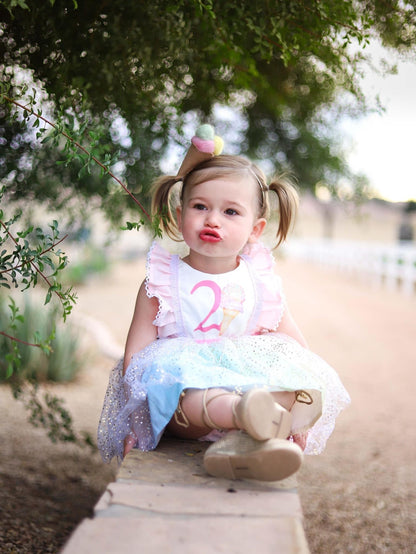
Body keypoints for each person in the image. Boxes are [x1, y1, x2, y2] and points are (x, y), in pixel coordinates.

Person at [97, 126, 350, 482]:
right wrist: (136, 427)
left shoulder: (260, 282)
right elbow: (136, 362)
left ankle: (246, 444)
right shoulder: (162, 282)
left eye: (231, 212)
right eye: (200, 206)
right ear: (180, 212)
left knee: (290, 388)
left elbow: (295, 346)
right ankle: (245, 416)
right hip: (190, 413)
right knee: (177, 392)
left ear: (255, 229)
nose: (212, 219)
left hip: (250, 386)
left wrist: (300, 409)